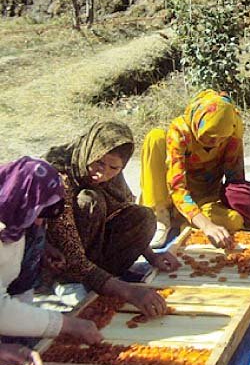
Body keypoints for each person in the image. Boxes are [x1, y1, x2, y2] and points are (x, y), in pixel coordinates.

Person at [45, 122, 178, 318]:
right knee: (89, 200)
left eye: (113, 168)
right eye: (98, 162)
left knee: (143, 216)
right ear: (91, 150)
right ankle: (70, 281)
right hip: (59, 256)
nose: (102, 174)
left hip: (91, 248)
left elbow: (124, 208)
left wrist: (152, 256)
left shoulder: (111, 172)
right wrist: (129, 292)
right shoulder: (59, 175)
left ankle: (102, 277)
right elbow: (68, 246)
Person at [140, 90, 250, 249]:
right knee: (156, 137)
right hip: (172, 193)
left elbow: (235, 179)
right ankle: (161, 216)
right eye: (211, 136)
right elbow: (177, 186)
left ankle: (185, 220)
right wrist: (206, 225)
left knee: (235, 220)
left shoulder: (232, 132)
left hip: (205, 197)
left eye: (222, 138)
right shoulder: (180, 132)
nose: (216, 142)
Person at [0, 157, 102, 349]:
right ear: (21, 200)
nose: (39, 224)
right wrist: (66, 324)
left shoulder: (13, 216)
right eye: (38, 214)